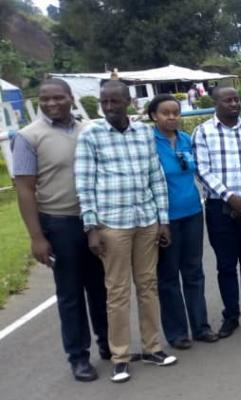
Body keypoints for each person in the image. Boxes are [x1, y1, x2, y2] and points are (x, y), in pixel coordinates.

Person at [75, 80, 177, 383]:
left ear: (128, 102)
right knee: (117, 292)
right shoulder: (91, 136)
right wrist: (90, 228)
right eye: (104, 102)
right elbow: (84, 184)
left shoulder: (144, 133)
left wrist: (163, 220)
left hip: (145, 220)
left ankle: (152, 347)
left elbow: (155, 177)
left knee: (148, 285)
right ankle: (120, 356)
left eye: (114, 102)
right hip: (112, 224)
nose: (108, 107)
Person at [13, 79, 109, 382]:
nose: (51, 103)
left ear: (70, 98)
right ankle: (78, 357)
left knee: (101, 287)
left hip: (94, 220)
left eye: (57, 98)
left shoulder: (89, 130)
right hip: (59, 222)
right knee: (70, 293)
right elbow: (25, 189)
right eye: (44, 99)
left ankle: (109, 344)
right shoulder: (29, 137)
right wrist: (37, 237)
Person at [193, 86, 241, 337]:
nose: (234, 104)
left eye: (236, 99)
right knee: (226, 264)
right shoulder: (203, 132)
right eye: (227, 100)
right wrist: (230, 198)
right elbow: (202, 171)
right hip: (219, 207)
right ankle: (231, 315)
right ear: (215, 103)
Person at [147, 95, 218, 350]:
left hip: (192, 213)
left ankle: (201, 326)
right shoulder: (148, 143)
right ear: (154, 116)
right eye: (165, 113)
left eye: (175, 112)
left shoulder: (186, 140)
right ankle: (176, 333)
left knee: (194, 272)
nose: (172, 117)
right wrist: (158, 221)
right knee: (168, 277)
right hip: (165, 218)